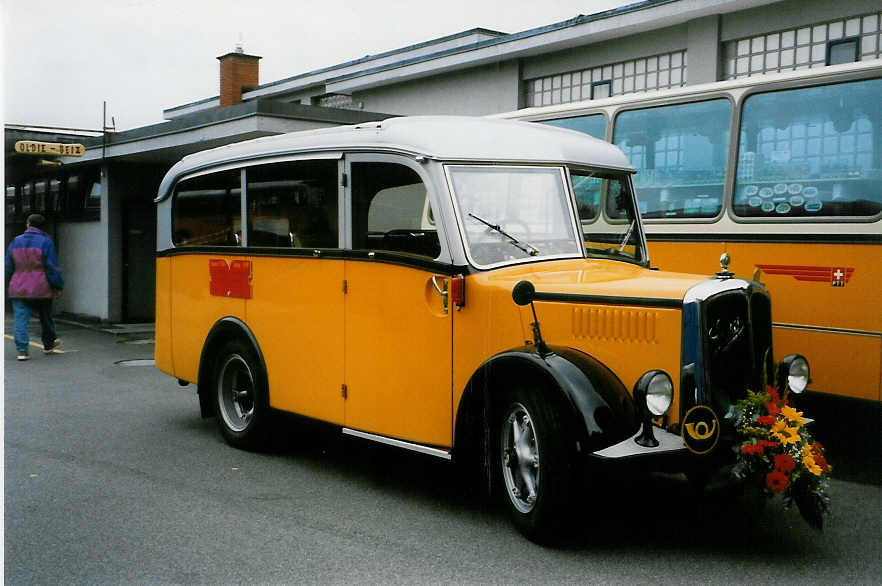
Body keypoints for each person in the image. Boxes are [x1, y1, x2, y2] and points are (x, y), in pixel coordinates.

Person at [5, 214, 64, 361]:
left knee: (20, 319)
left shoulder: (15, 241)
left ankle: (22, 351)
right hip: (41, 286)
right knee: (45, 316)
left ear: (28, 224)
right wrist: (57, 285)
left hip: (18, 287)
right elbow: (52, 267)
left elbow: (7, 266)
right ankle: (49, 343)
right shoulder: (46, 241)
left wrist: (5, 283)